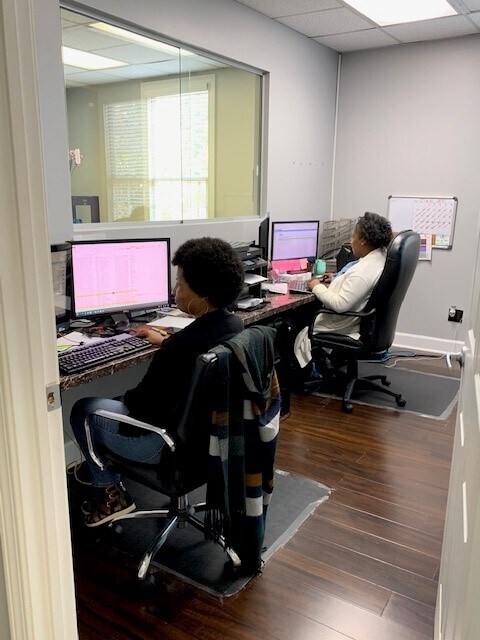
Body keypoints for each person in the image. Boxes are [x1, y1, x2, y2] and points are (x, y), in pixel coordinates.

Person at [70, 237, 245, 527]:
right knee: (113, 401)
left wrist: (167, 350)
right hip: (208, 442)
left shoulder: (179, 349)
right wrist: (165, 341)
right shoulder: (233, 325)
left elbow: (140, 403)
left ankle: (112, 496)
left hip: (164, 446)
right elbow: (190, 347)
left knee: (82, 410)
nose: (175, 291)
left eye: (180, 284)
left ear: (202, 294)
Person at [294, 212, 392, 376]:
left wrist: (317, 286)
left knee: (293, 321)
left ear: (364, 240)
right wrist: (337, 278)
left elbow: (339, 304)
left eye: (354, 236)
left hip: (344, 324)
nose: (351, 241)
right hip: (366, 323)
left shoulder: (363, 272)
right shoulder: (380, 257)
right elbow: (355, 286)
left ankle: (301, 375)